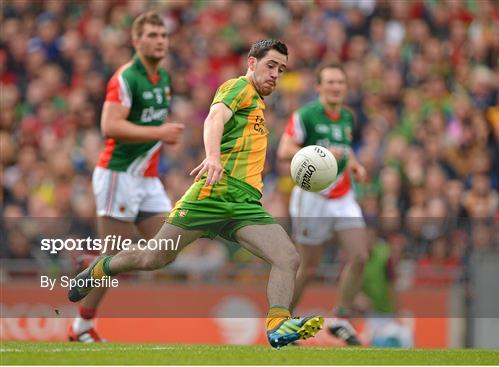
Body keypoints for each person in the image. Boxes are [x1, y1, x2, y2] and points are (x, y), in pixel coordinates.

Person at [68, 39, 323, 349]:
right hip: (210, 197)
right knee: (153, 258)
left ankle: (278, 326)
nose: (275, 74)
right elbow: (214, 118)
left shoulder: (257, 102)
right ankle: (100, 268)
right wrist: (212, 156)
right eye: (271, 66)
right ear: (252, 63)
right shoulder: (237, 88)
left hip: (244, 205)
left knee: (287, 257)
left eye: (281, 70)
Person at [68, 11, 184, 342]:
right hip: (118, 175)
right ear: (136, 41)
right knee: (115, 259)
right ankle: (82, 327)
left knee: (168, 248)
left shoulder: (163, 77)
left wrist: (158, 134)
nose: (160, 41)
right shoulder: (125, 78)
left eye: (163, 35)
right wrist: (160, 131)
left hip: (147, 180)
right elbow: (109, 126)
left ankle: (93, 261)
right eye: (152, 35)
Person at [277, 62, 368, 345]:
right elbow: (284, 150)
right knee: (309, 267)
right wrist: (316, 154)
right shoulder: (306, 115)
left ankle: (340, 318)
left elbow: (345, 149)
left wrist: (354, 164)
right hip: (312, 197)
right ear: (318, 87)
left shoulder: (346, 117)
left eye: (340, 82)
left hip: (342, 195)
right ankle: (281, 323)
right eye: (329, 82)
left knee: (360, 256)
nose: (335, 87)